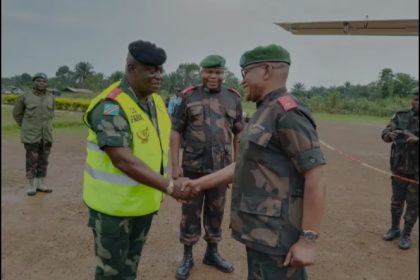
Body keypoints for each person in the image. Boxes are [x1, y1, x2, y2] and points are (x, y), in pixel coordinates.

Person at [182, 44, 327, 280]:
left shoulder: (287, 112)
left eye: (245, 73)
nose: (242, 81)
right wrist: (198, 184)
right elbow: (244, 164)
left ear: (266, 70)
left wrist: (308, 240)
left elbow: (316, 176)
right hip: (261, 233)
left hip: (278, 237)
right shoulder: (265, 110)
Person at [82, 40, 194, 280]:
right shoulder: (111, 105)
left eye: (161, 70)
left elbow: (157, 147)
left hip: (142, 205)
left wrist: (174, 174)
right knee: (111, 273)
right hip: (112, 210)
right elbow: (122, 159)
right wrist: (170, 187)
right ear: (132, 68)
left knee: (130, 268)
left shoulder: (154, 101)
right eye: (151, 69)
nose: (159, 76)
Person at [170, 54, 244, 279]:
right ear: (202, 72)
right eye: (209, 72)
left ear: (224, 74)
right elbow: (176, 131)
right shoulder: (189, 97)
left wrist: (237, 167)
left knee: (216, 212)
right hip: (192, 168)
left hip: (221, 169)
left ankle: (212, 252)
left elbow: (239, 133)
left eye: (218, 72)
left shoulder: (233, 99)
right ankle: (187, 255)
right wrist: (175, 168)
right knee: (190, 213)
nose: (213, 76)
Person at [381, 87, 419, 250]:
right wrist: (389, 135)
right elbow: (385, 132)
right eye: (417, 99)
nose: (418, 103)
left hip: (417, 172)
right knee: (396, 201)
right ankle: (395, 228)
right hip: (399, 168)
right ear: (412, 99)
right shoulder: (400, 115)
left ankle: (406, 234)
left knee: (413, 204)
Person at [13, 73, 54, 196]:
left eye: (44, 81)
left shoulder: (51, 97)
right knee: (32, 161)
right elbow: (17, 114)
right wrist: (26, 127)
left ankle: (41, 184)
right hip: (31, 136)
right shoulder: (25, 97)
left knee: (44, 160)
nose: (42, 83)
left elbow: (51, 114)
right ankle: (31, 186)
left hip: (46, 135)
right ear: (34, 82)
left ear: (47, 83)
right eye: (39, 80)